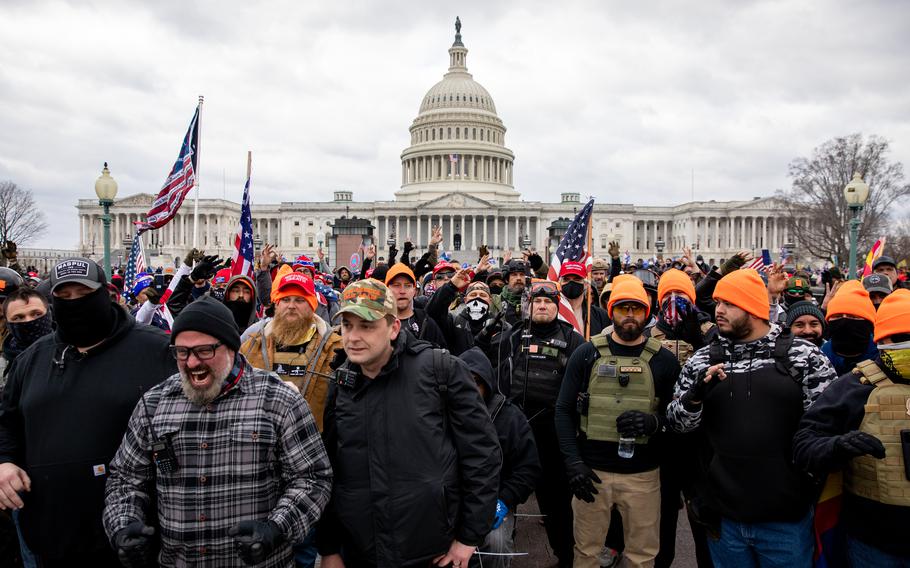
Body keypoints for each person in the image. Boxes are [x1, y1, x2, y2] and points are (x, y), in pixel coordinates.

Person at [103, 297, 333, 566]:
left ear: (231, 348)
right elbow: (125, 478)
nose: (191, 363)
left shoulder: (279, 400)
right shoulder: (154, 404)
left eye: (204, 351)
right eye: (182, 352)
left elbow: (313, 477)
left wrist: (276, 528)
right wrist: (123, 524)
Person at [0, 258, 176, 565]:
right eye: (64, 298)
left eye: (83, 294)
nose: (74, 304)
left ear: (105, 294)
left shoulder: (157, 350)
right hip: (54, 534)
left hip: (139, 534)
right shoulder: (33, 359)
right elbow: (7, 422)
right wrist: (4, 462)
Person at [317, 279, 501, 567]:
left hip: (432, 551)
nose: (352, 337)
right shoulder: (342, 383)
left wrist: (468, 538)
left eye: (366, 326)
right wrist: (329, 548)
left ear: (393, 328)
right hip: (362, 551)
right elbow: (329, 469)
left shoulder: (441, 369)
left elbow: (482, 456)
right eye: (348, 325)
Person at [666, 269, 837, 568]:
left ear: (754, 308)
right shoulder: (703, 359)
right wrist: (694, 398)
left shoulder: (804, 357)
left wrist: (804, 483)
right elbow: (677, 424)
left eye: (728, 304)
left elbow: (825, 427)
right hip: (725, 518)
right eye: (717, 302)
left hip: (786, 520)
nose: (718, 311)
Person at [556, 278, 680, 568]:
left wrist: (653, 423)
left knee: (641, 557)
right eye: (622, 308)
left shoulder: (664, 361)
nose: (629, 315)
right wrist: (573, 463)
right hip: (592, 473)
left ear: (647, 313)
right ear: (611, 311)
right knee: (586, 553)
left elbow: (678, 419)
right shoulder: (586, 354)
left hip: (643, 477)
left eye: (636, 309)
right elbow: (563, 410)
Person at [794, 289, 910, 566]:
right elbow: (804, 444)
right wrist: (837, 446)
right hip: (874, 540)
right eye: (902, 339)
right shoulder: (854, 388)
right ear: (883, 341)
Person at [500, 279, 584, 567]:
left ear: (557, 306)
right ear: (529, 305)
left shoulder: (573, 340)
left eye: (549, 302)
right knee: (506, 495)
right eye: (537, 301)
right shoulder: (512, 337)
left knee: (557, 504)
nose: (543, 305)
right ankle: (500, 553)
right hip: (518, 431)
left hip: (553, 433)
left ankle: (565, 556)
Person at [460, 347, 540, 568]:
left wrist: (504, 500)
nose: (470, 388)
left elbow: (528, 469)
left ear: (487, 382)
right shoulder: (442, 412)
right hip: (452, 501)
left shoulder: (510, 418)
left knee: (496, 545)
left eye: (476, 381)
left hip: (494, 500)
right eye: (463, 381)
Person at [240, 269, 342, 431]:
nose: (291, 306)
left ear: (312, 305)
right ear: (277, 304)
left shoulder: (334, 348)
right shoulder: (252, 346)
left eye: (299, 300)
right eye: (285, 299)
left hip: (314, 441)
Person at [821, 281, 878, 376]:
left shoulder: (882, 355)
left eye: (853, 316)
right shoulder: (822, 355)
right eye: (837, 316)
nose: (844, 321)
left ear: (868, 322)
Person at [385, 263, 448, 348]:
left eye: (407, 286)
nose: (402, 291)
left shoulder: (427, 323)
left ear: (414, 291)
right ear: (387, 290)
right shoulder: (378, 324)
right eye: (396, 285)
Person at [1, 288, 53, 376]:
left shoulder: (70, 355)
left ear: (49, 314)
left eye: (37, 314)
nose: (28, 321)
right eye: (18, 318)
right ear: (8, 323)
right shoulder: (3, 367)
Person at [559, 261, 610, 336]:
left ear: (586, 284)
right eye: (566, 279)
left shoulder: (601, 316)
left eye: (577, 279)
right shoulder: (552, 313)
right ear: (560, 283)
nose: (571, 283)